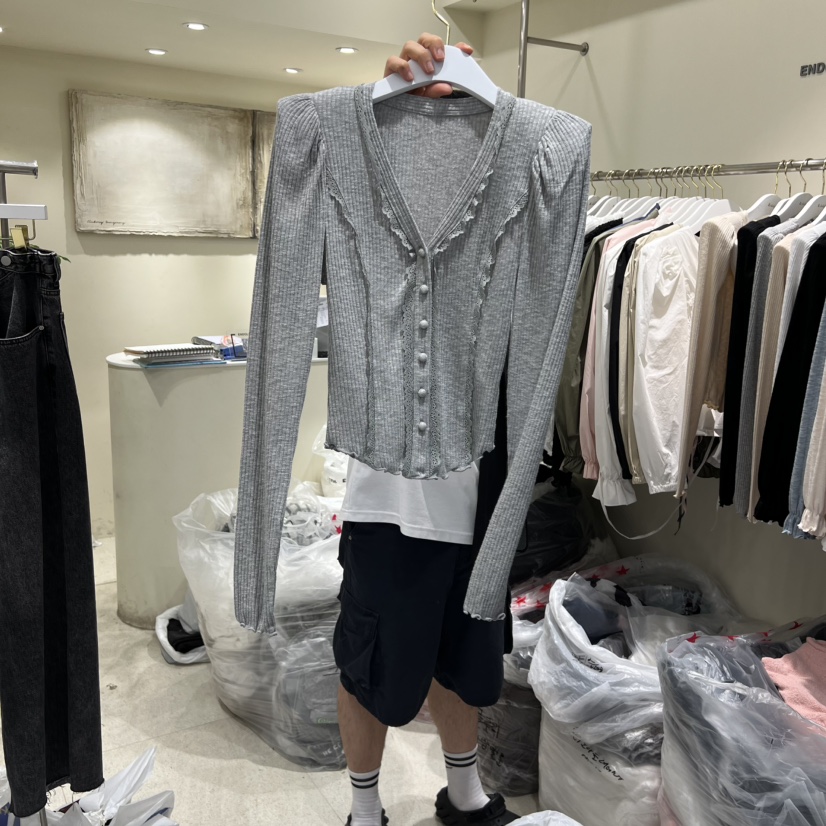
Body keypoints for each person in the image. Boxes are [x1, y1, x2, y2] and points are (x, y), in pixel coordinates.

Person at [334, 33, 520, 826]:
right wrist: (388, 117)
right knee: (372, 656)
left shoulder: (518, 169)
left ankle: (465, 794)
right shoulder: (367, 170)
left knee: (467, 649)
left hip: (484, 478)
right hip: (392, 489)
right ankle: (364, 810)